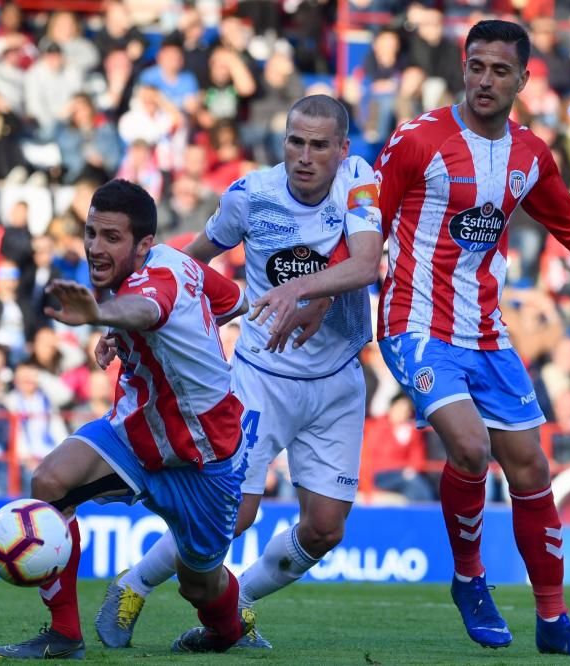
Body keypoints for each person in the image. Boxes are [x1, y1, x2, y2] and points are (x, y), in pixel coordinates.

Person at [365, 20, 570, 658]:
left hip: (488, 332)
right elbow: (366, 229)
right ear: (462, 68)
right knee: (468, 447)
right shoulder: (418, 141)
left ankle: (553, 621)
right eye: (476, 66)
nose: (485, 79)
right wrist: (327, 300)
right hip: (415, 322)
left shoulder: (530, 154)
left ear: (523, 79)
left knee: (531, 466)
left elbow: (569, 220)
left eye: (499, 70)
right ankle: (469, 580)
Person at [94, 94, 383, 649]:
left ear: (342, 149)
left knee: (324, 529)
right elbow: (186, 261)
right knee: (234, 516)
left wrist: (302, 288)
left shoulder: (358, 181)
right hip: (261, 376)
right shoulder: (252, 194)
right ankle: (133, 585)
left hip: (339, 379)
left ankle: (239, 604)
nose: (304, 155)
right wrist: (126, 320)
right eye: (295, 142)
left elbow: (367, 263)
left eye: (319, 145)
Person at [0, 179, 252, 658]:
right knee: (49, 481)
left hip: (203, 459)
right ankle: (65, 635)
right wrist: (122, 332)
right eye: (92, 233)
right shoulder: (180, 263)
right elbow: (232, 299)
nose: (95, 247)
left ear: (144, 244)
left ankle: (230, 630)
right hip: (133, 437)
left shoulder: (157, 281)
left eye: (112, 238)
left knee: (201, 587)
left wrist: (104, 316)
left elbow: (147, 306)